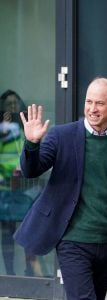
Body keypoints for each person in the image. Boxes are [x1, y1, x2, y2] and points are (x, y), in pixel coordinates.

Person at [13, 77, 107, 300]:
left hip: (106, 243)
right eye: (88, 102)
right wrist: (32, 144)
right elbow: (31, 170)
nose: (92, 109)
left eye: (100, 103)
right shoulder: (61, 135)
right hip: (72, 241)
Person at [0, 90, 42, 276]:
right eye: (8, 104)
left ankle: (30, 271)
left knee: (28, 230)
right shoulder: (3, 128)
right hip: (5, 186)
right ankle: (9, 273)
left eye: (15, 103)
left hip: (25, 185)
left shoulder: (27, 127)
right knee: (7, 234)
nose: (12, 107)